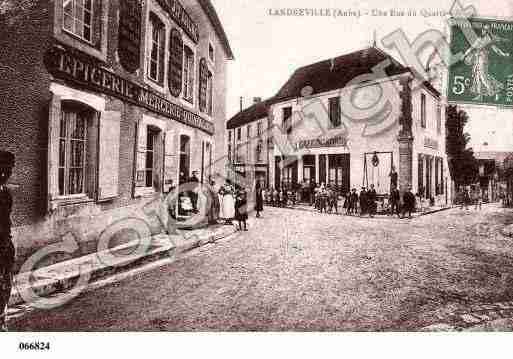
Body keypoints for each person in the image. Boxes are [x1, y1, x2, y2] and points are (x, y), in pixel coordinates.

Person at [0, 151, 15, 331]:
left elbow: (7, 220)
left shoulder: (6, 193)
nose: (9, 173)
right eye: (6, 169)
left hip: (5, 247)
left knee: (5, 286)